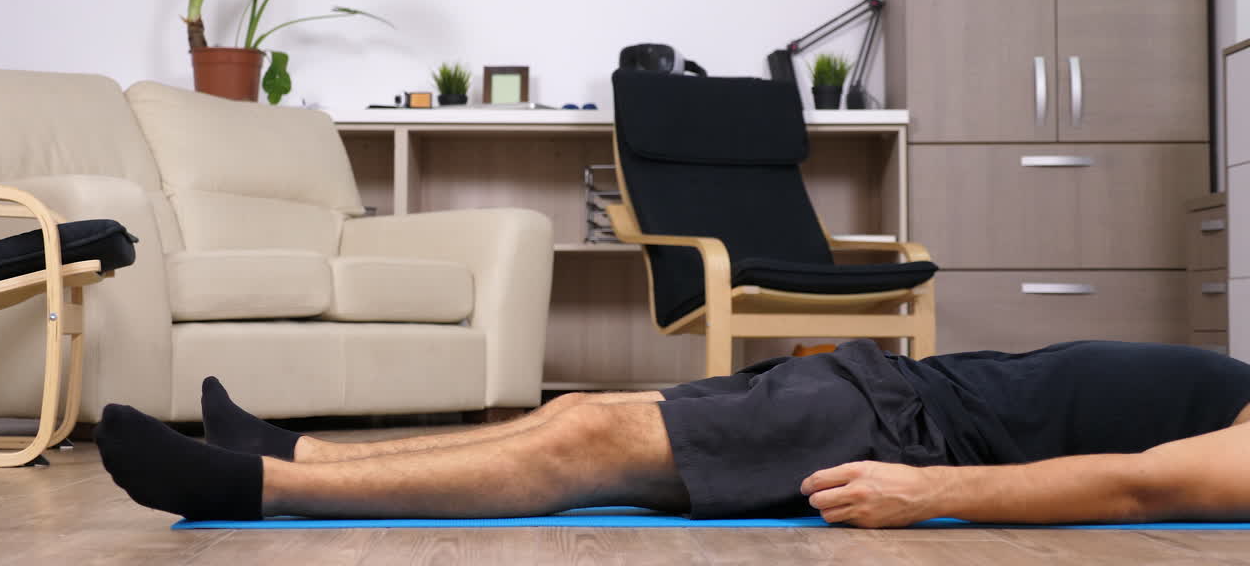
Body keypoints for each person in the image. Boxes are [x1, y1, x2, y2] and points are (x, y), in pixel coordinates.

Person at [94, 339, 1250, 527]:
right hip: (895, 385)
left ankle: (259, 492)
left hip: (911, 431)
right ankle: (298, 451)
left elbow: (1147, 489)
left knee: (580, 444)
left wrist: (918, 492)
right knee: (573, 412)